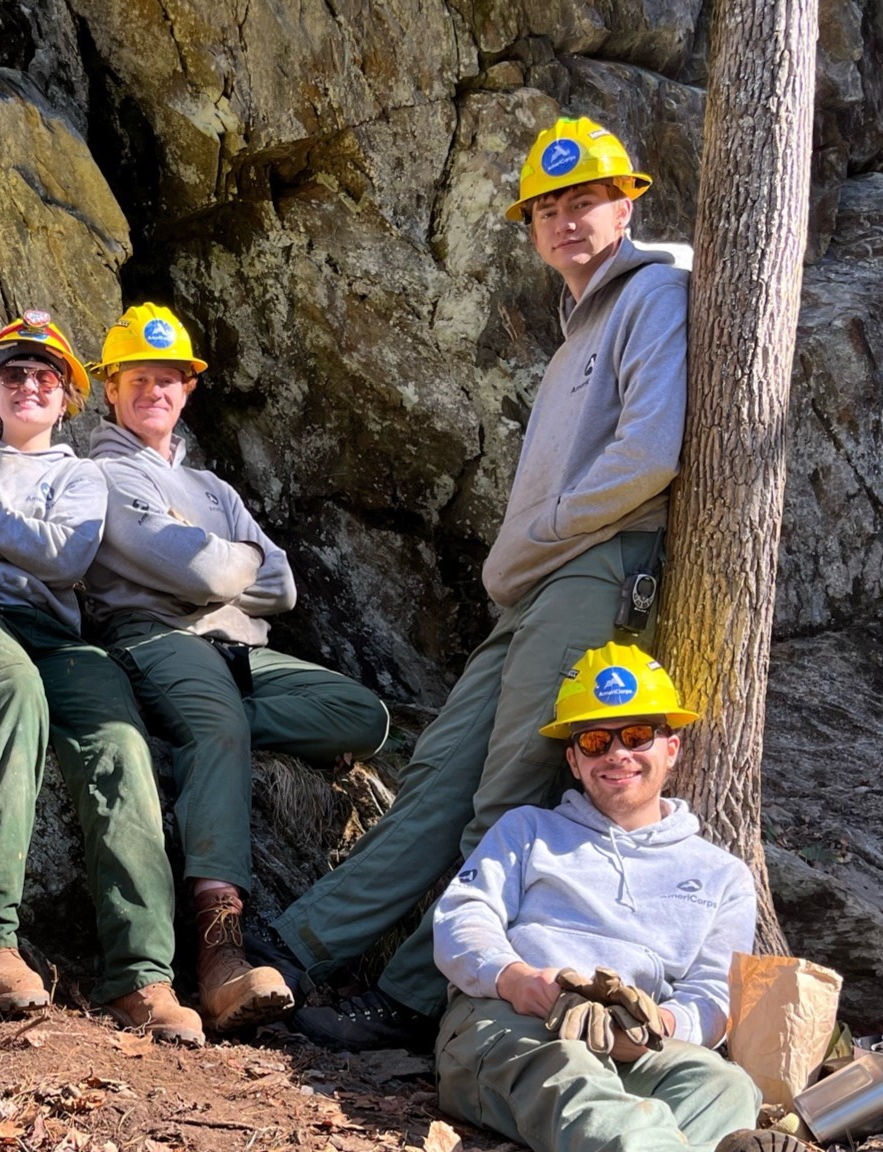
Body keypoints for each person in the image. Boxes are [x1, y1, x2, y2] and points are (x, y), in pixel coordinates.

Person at [248, 116, 690, 1052]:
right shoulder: (581, 327)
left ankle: (415, 996)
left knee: (508, 799)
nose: (567, 221)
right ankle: (292, 946)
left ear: (626, 204)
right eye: (548, 207)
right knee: (438, 780)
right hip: (534, 587)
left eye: (587, 201)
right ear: (531, 225)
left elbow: (649, 453)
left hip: (594, 571)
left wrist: (546, 527)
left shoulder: (654, 294)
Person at [81, 303, 390, 1034]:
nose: (155, 391)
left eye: (170, 379)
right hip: (156, 636)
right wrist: (220, 566)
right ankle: (219, 951)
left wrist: (221, 566)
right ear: (110, 390)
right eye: (138, 379)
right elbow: (205, 571)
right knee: (216, 719)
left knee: (363, 716)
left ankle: (192, 725)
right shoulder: (102, 473)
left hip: (237, 653)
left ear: (188, 390)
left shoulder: (215, 489)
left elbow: (279, 584)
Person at [0, 309, 203, 1045]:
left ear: (69, 396)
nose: (29, 383)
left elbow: (66, 562)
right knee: (13, 692)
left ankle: (141, 975)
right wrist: (20, 543)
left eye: (46, 375)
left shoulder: (81, 477)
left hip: (53, 631)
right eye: (13, 373)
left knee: (117, 738)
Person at [431, 643, 803, 1152]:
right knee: (575, 1074)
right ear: (574, 760)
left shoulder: (724, 875)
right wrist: (517, 980)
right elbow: (461, 918)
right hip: (511, 1025)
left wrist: (657, 1026)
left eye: (636, 735)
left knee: (726, 1086)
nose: (617, 754)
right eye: (595, 742)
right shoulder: (527, 830)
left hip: (639, 1050)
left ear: (671, 748)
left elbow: (715, 994)